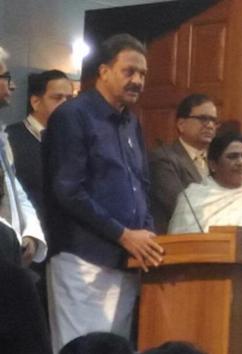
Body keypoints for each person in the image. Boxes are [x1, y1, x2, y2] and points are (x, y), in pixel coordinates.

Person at [43, 33, 164, 352]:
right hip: (82, 260)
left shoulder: (131, 123)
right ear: (104, 71)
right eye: (129, 71)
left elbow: (142, 186)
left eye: (143, 74)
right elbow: (68, 190)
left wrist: (146, 234)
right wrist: (124, 234)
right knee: (82, 349)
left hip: (126, 261)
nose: (138, 80)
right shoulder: (73, 115)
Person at [6, 69, 73, 312]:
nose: (66, 105)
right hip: (26, 251)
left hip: (64, 251)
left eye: (70, 98)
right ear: (35, 101)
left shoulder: (71, 140)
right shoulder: (11, 138)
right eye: (58, 98)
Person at [168, 131, 242, 233]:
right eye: (232, 157)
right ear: (213, 165)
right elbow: (181, 243)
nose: (240, 162)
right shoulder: (193, 198)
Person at [0, 46, 48, 268]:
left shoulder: (1, 137)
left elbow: (15, 191)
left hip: (11, 254)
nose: (12, 85)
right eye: (5, 77)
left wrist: (30, 233)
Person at [150, 94, 219, 234]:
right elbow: (180, 205)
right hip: (177, 242)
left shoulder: (217, 162)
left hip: (213, 242)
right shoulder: (164, 158)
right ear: (181, 124)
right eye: (203, 119)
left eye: (213, 120)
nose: (210, 125)